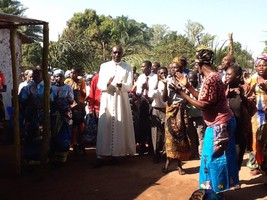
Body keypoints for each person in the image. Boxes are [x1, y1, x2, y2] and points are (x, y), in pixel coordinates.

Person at [175, 47, 239, 192]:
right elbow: (204, 98)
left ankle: (214, 193)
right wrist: (188, 86)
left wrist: (182, 94)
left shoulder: (210, 79)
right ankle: (222, 189)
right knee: (223, 158)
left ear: (199, 64)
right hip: (224, 121)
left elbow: (203, 105)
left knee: (212, 159)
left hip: (219, 125)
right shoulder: (214, 76)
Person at [95, 45, 136, 166]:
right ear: (111, 53)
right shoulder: (104, 66)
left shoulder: (127, 67)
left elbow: (130, 85)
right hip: (107, 98)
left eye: (119, 53)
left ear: (122, 53)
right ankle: (103, 153)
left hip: (120, 99)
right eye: (115, 52)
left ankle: (117, 153)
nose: (117, 55)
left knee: (120, 126)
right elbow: (99, 84)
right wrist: (107, 83)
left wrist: (121, 85)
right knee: (105, 124)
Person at [161, 57, 192, 175]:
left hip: (181, 110)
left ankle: (179, 165)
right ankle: (167, 164)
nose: (173, 69)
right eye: (172, 67)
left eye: (176, 67)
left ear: (181, 68)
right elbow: (164, 99)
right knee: (170, 138)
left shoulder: (184, 80)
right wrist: (165, 86)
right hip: (170, 111)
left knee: (181, 137)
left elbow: (188, 98)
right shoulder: (167, 80)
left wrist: (181, 91)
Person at [225, 65, 251, 171]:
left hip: (239, 125)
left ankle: (235, 175)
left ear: (237, 76)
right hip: (225, 125)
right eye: (226, 74)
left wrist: (243, 96)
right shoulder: (222, 88)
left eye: (229, 74)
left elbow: (249, 106)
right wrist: (226, 95)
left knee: (238, 151)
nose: (226, 76)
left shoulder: (244, 88)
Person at [246, 54, 267, 183]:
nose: (261, 68)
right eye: (258, 65)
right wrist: (249, 96)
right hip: (257, 115)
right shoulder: (253, 79)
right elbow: (247, 94)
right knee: (257, 141)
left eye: (264, 65)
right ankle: (258, 165)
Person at [19, 66, 46, 161]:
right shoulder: (27, 88)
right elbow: (21, 101)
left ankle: (43, 156)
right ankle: (30, 157)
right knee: (30, 136)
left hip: (44, 117)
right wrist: (31, 97)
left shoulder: (47, 87)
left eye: (38, 73)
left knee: (43, 136)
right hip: (31, 117)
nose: (36, 75)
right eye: (34, 73)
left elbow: (52, 101)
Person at [50, 69, 74, 164]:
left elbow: (71, 100)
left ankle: (63, 156)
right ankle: (54, 155)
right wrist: (57, 97)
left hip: (65, 114)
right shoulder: (52, 88)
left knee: (65, 133)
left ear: (64, 77)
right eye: (56, 76)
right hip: (55, 114)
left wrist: (66, 98)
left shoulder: (68, 87)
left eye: (60, 76)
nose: (58, 78)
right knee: (55, 133)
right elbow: (50, 101)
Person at [135, 60, 157, 155]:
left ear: (149, 67)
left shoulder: (155, 77)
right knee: (142, 124)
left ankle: (152, 147)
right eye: (141, 66)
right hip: (143, 103)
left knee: (152, 125)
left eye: (143, 66)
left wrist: (147, 88)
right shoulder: (140, 77)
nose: (142, 68)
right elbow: (138, 92)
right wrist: (142, 90)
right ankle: (142, 146)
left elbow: (155, 91)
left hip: (152, 103)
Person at [186, 70, 206, 158]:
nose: (190, 81)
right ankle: (193, 153)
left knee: (201, 136)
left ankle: (201, 155)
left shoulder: (201, 88)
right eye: (189, 79)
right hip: (189, 116)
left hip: (199, 116)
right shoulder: (186, 88)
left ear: (196, 78)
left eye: (192, 79)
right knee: (191, 136)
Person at [150, 66, 168, 163]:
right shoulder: (153, 82)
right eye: (161, 73)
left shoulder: (169, 82)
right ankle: (156, 154)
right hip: (156, 109)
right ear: (158, 74)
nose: (163, 75)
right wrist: (157, 82)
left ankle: (165, 154)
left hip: (166, 110)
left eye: (165, 73)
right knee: (156, 134)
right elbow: (150, 95)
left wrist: (165, 84)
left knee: (166, 133)